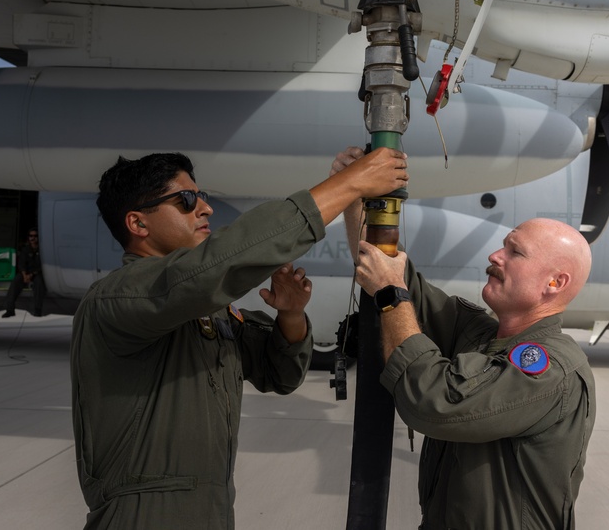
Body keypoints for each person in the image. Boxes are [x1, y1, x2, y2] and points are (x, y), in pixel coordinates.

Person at [70, 148, 407, 530]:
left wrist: (291, 315)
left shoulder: (195, 308)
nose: (205, 209)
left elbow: (278, 374)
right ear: (138, 224)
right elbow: (221, 262)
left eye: (202, 197)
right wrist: (349, 184)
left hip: (212, 511)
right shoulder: (119, 296)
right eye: (185, 200)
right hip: (146, 515)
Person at [333, 146, 596, 530]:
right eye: (503, 245)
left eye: (514, 253)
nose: (495, 256)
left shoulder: (549, 369)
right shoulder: (481, 334)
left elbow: (434, 402)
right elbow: (392, 274)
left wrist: (391, 294)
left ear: (554, 283)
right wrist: (355, 194)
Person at [1, 229, 44, 317]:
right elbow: (21, 264)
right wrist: (24, 275)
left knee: (39, 283)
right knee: (16, 282)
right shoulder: (25, 249)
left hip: (36, 274)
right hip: (26, 273)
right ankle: (10, 309)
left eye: (35, 236)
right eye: (31, 236)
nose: (33, 238)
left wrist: (31, 275)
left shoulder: (43, 250)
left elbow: (42, 266)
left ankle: (38, 309)